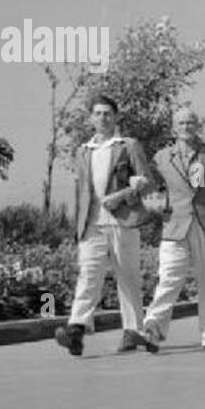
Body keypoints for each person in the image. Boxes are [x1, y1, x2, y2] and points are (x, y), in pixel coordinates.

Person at [54, 93, 152, 357]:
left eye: (107, 113)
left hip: (123, 221)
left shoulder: (128, 146)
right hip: (92, 224)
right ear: (90, 119)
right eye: (97, 113)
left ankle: (133, 332)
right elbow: (82, 192)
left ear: (116, 117)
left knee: (127, 277)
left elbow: (148, 181)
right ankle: (76, 329)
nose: (102, 118)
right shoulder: (82, 151)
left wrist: (121, 195)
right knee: (89, 274)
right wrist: (79, 225)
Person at [139, 107, 205, 350]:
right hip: (174, 224)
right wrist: (154, 201)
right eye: (182, 123)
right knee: (169, 277)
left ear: (197, 125)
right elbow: (150, 187)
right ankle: (153, 327)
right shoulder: (161, 157)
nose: (186, 126)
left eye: (191, 122)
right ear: (173, 128)